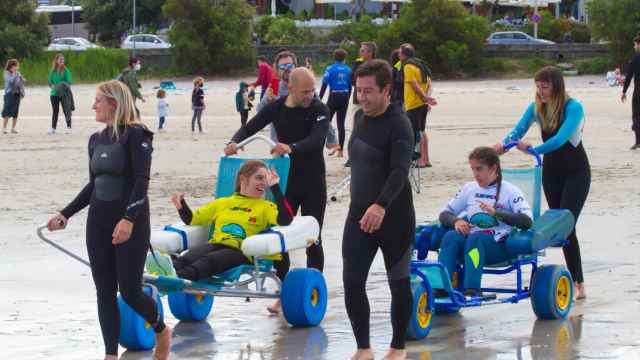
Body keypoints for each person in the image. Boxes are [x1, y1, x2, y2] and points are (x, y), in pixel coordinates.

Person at [46, 80, 171, 360]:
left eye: (98, 101)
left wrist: (128, 219)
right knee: (104, 291)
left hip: (131, 222)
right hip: (98, 221)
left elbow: (141, 182)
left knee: (129, 291)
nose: (93, 106)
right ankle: (110, 355)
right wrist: (65, 213)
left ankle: (162, 331)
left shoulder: (137, 136)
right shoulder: (95, 140)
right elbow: (94, 186)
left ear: (114, 103)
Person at [494, 66, 590, 301]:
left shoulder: (573, 107)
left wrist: (534, 150)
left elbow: (559, 140)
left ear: (556, 86)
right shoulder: (536, 108)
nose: (540, 90)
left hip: (577, 172)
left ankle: (578, 283)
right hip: (552, 172)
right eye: (537, 85)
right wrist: (502, 147)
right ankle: (576, 279)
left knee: (567, 224)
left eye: (544, 86)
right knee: (560, 226)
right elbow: (518, 131)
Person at [343, 59, 415, 360]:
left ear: (387, 90)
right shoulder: (360, 118)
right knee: (352, 280)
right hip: (359, 213)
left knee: (398, 281)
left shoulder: (399, 124)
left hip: (393, 215)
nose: (362, 97)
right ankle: (364, 348)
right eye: (359, 90)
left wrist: (380, 204)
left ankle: (398, 347)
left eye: (369, 91)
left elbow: (400, 171)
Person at [225, 67, 330, 272]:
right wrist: (234, 141)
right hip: (285, 180)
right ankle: (283, 291)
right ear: (290, 88)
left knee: (313, 237)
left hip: (313, 181)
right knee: (280, 234)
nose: (311, 96)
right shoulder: (276, 108)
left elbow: (317, 140)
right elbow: (250, 127)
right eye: (305, 92)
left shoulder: (320, 109)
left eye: (312, 90)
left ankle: (314, 285)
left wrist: (291, 147)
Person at [155, 161, 293, 313]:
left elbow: (285, 220)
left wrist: (275, 187)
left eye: (265, 179)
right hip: (216, 244)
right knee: (187, 258)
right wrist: (182, 206)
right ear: (243, 179)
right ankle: (162, 272)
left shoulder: (266, 207)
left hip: (242, 251)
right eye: (259, 178)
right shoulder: (222, 203)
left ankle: (172, 279)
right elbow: (193, 220)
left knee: (208, 261)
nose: (263, 183)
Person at [437, 147, 533, 297]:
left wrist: (497, 214)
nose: (475, 175)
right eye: (473, 169)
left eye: (479, 169)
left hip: (499, 247)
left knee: (476, 239)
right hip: (472, 247)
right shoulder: (469, 188)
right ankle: (441, 288)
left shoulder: (511, 191)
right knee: (451, 236)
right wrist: (456, 221)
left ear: (493, 167)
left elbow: (527, 221)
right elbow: (444, 214)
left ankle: (473, 289)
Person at [400, 43, 437, 168]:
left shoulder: (408, 66)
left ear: (403, 54)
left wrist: (424, 97)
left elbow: (413, 84)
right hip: (422, 103)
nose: (399, 55)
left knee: (415, 132)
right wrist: (426, 97)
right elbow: (430, 83)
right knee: (421, 131)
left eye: (400, 53)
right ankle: (426, 159)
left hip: (413, 103)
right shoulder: (421, 65)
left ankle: (420, 159)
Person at [319, 48, 352, 157]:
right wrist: (348, 98)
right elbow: (350, 86)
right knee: (341, 124)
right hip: (344, 96)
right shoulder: (348, 70)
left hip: (334, 95)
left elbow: (324, 84)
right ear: (344, 58)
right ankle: (341, 151)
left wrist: (319, 98)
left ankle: (326, 146)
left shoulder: (330, 69)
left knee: (326, 121)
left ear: (334, 57)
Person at [621, 34, 640, 149]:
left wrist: (624, 91)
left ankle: (638, 141)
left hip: (638, 92)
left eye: (635, 44)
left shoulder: (635, 59)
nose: (634, 47)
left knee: (637, 116)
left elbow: (628, 76)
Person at [48, 53, 73, 135]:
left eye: (63, 59)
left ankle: (69, 127)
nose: (62, 61)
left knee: (66, 110)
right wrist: (53, 88)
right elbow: (50, 82)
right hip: (54, 94)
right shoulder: (52, 71)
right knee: (55, 111)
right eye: (60, 59)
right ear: (56, 61)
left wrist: (62, 87)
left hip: (64, 93)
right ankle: (53, 128)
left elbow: (68, 82)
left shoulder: (66, 71)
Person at [2, 59, 25, 135]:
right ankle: (4, 128)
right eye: (16, 66)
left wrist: (22, 79)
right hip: (9, 94)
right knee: (7, 111)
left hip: (17, 93)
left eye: (17, 66)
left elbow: (21, 81)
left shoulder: (17, 73)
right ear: (11, 66)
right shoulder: (6, 73)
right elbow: (11, 81)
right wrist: (15, 74)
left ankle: (13, 128)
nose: (17, 68)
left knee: (15, 111)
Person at [350, 41, 376, 106]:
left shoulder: (376, 64)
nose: (360, 53)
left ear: (370, 52)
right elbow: (352, 78)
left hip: (372, 98)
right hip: (358, 98)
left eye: (362, 51)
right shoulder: (357, 63)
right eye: (361, 50)